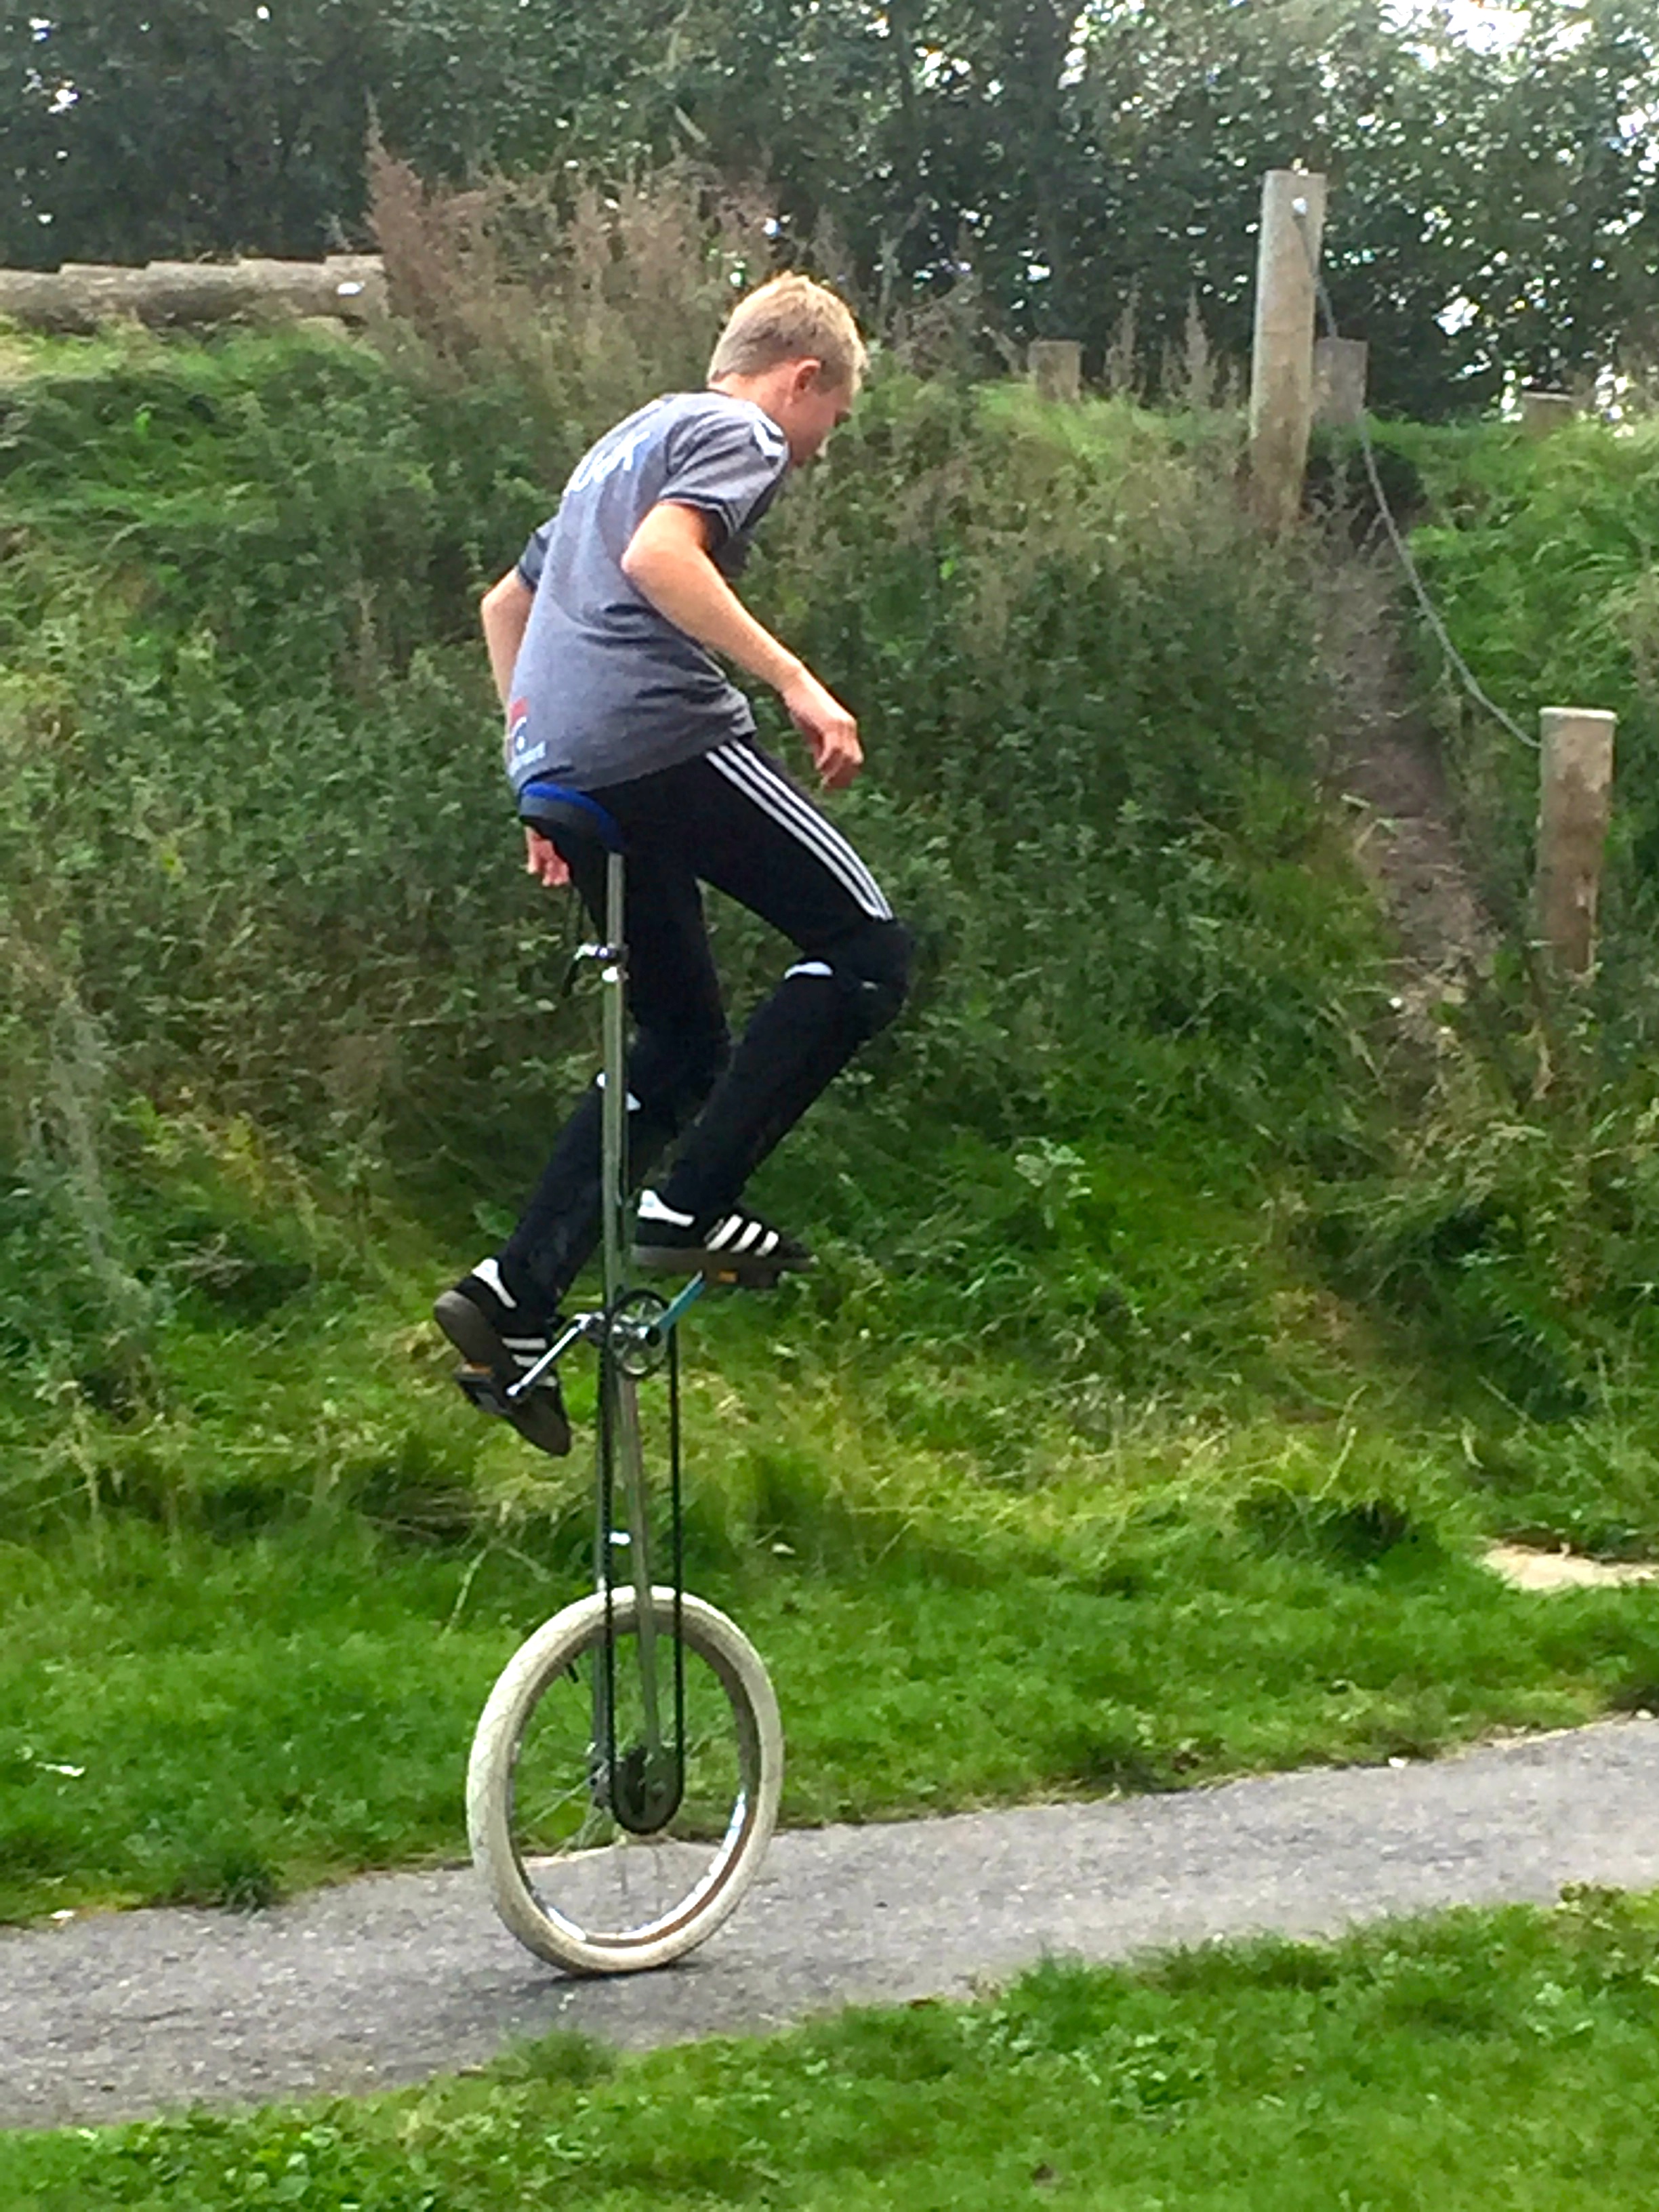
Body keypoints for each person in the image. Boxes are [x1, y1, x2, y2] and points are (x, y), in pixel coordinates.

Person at [435, 272, 912, 1453]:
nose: (817, 449)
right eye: (833, 420)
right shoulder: (740, 429)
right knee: (866, 951)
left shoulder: (618, 447)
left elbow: (504, 607)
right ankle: (690, 1205)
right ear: (803, 380)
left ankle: (514, 1293)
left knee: (683, 1040)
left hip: (567, 761)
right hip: (659, 735)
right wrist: (795, 680)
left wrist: (534, 764)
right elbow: (662, 559)